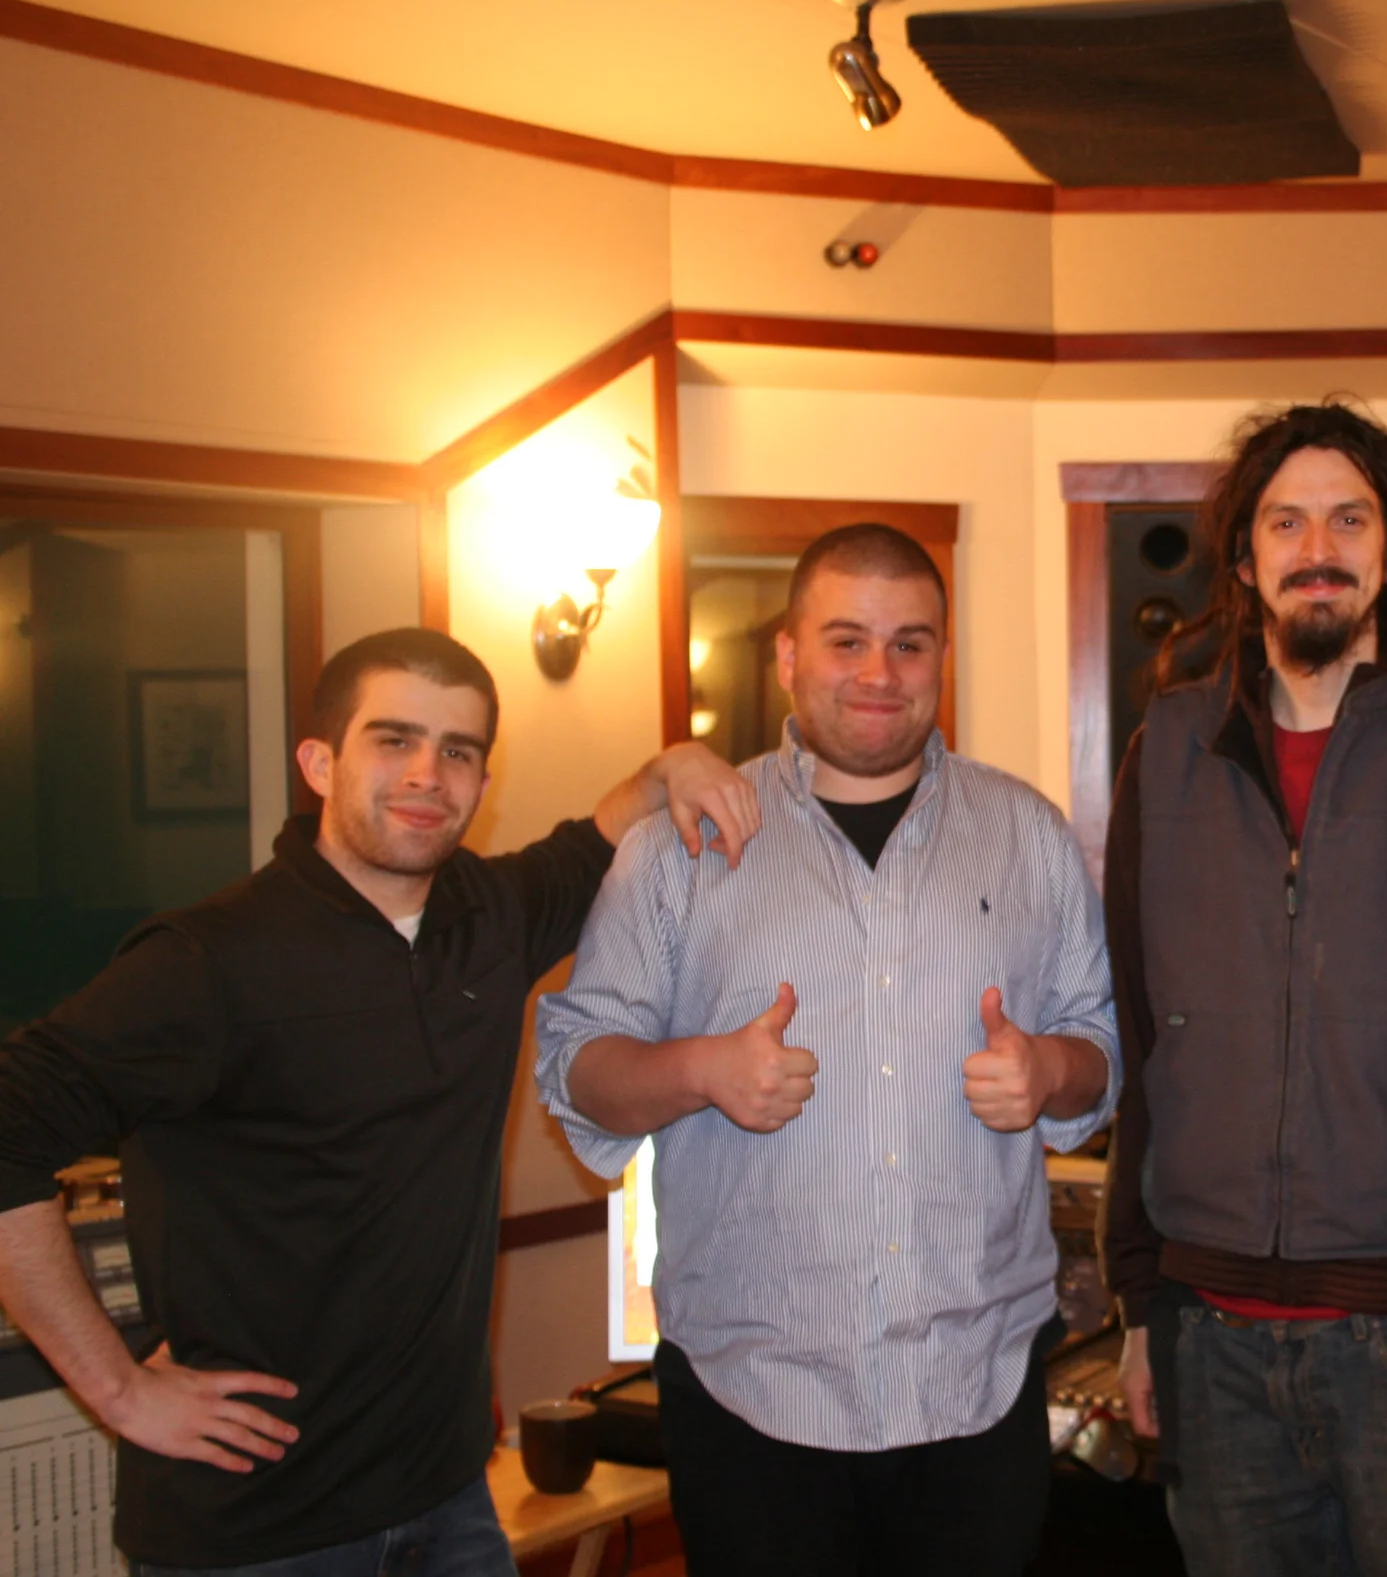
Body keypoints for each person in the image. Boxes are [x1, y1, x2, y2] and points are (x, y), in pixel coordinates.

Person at [0, 627, 758, 1575]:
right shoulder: (207, 962)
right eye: (393, 740)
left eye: (458, 751)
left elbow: (594, 838)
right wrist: (117, 1388)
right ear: (320, 763)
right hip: (258, 1533)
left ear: (482, 782)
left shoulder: (490, 916)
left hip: (448, 1505)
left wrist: (673, 765)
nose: (427, 775)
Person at [534, 522, 1117, 1577]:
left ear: (942, 657)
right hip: (749, 1393)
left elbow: (1101, 1053)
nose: (879, 673)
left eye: (909, 643)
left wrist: (1049, 1069)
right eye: (846, 640)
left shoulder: (1029, 833)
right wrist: (700, 1069)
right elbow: (578, 1069)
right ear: (788, 655)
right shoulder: (678, 847)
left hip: (977, 1384)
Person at [1099, 402, 1387, 1577]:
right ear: (1244, 556)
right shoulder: (1166, 754)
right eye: (1288, 520)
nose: (1319, 546)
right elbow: (1143, 1042)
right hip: (1211, 1344)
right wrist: (1141, 1305)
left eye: (1350, 519)